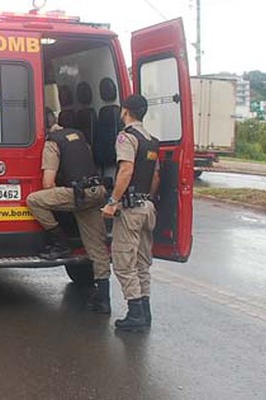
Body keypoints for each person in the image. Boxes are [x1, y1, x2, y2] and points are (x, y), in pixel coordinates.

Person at [26, 111, 112, 313]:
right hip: (97, 192)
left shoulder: (52, 142)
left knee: (34, 201)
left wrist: (61, 196)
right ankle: (104, 299)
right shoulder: (79, 136)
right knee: (97, 248)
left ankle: (60, 243)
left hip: (77, 195)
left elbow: (47, 184)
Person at [101, 94, 160, 332]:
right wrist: (147, 198)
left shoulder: (126, 137)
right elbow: (155, 176)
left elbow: (125, 170)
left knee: (124, 262)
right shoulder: (152, 140)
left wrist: (113, 202)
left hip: (131, 209)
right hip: (147, 207)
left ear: (125, 111)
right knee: (142, 262)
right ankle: (145, 311)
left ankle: (135, 312)